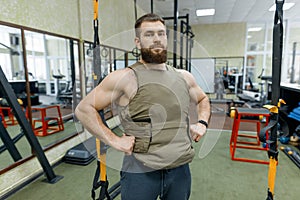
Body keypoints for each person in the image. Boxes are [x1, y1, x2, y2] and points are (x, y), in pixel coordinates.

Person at [75, 13, 211, 200]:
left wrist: (202, 123)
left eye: (161, 34)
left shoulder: (184, 76)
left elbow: (203, 99)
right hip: (140, 170)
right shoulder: (125, 77)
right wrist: (114, 140)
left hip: (180, 169)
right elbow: (84, 109)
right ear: (138, 42)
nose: (156, 39)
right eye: (149, 34)